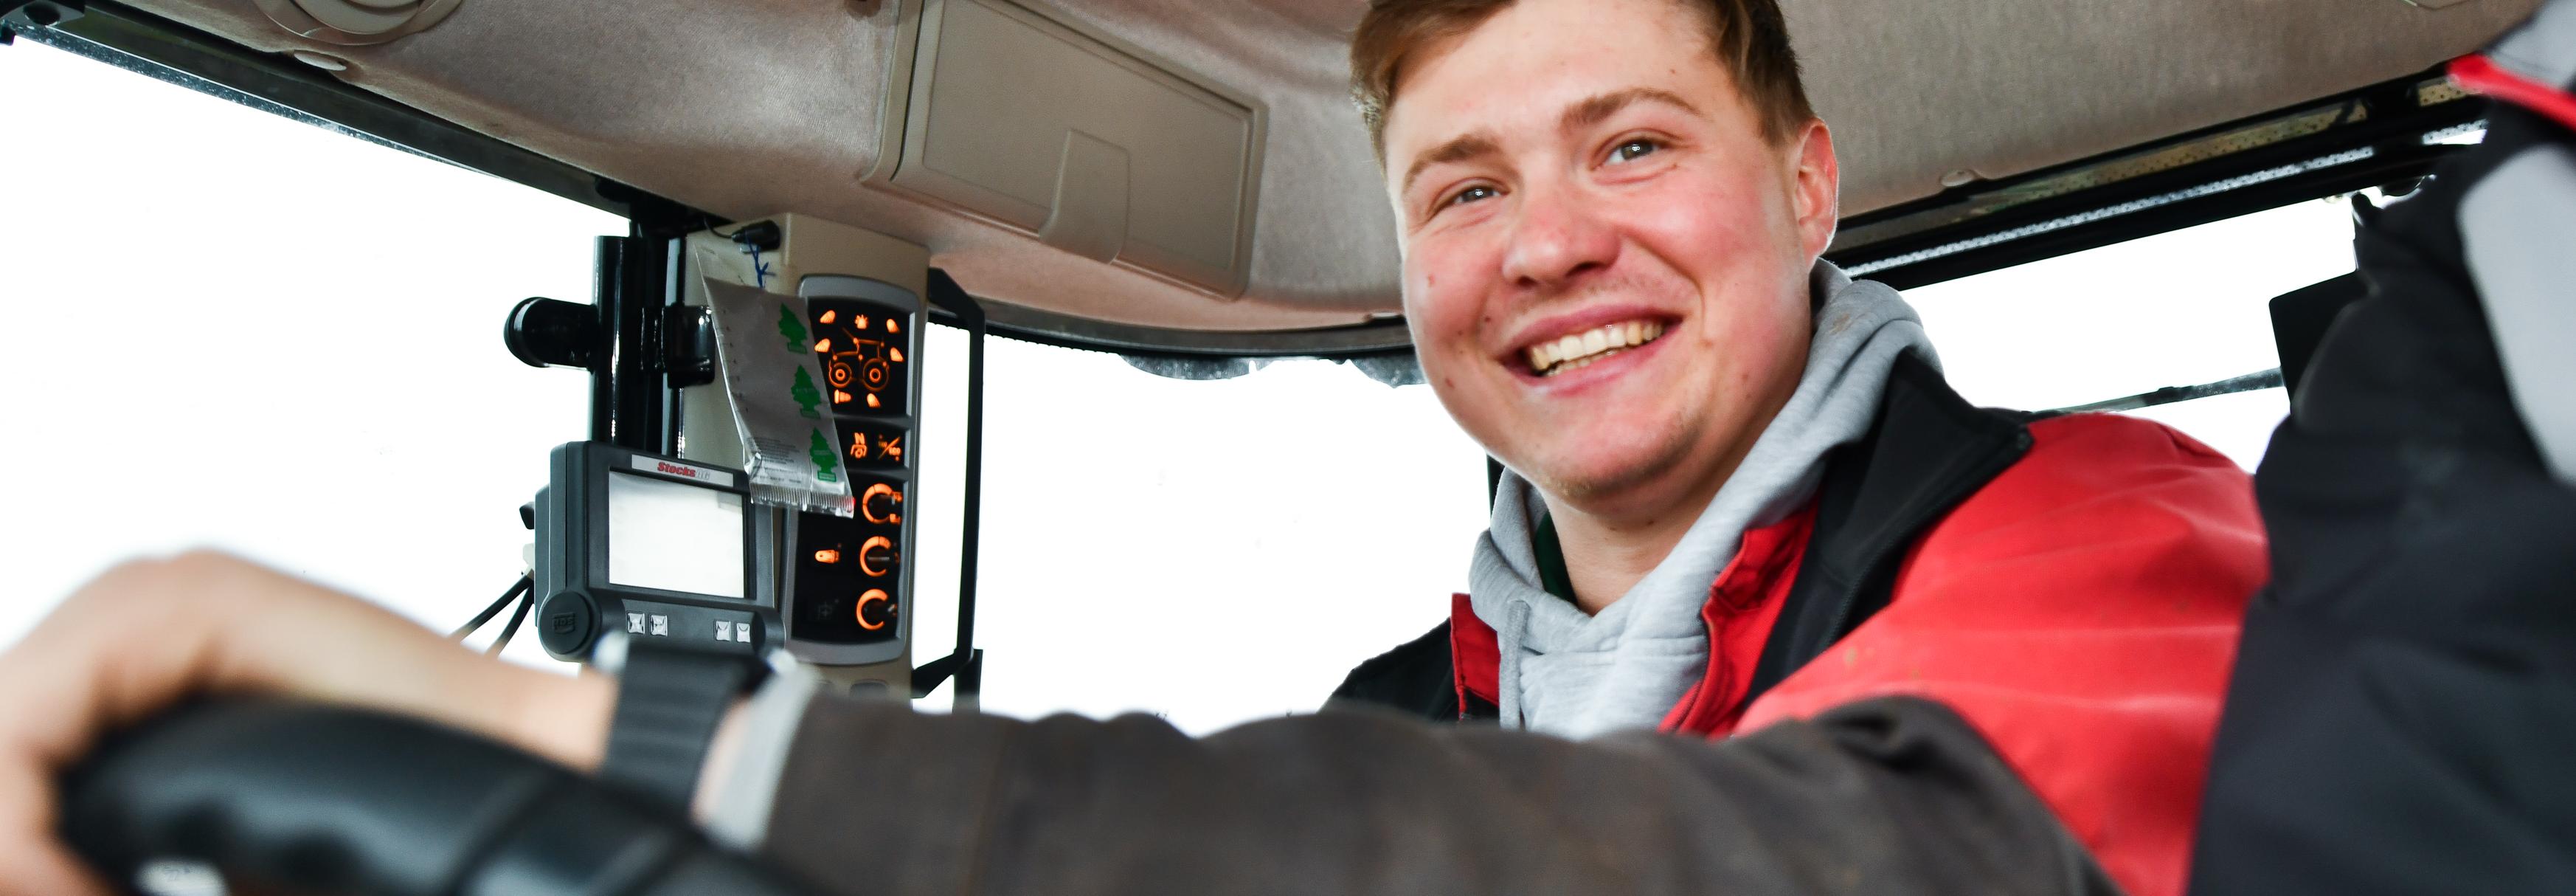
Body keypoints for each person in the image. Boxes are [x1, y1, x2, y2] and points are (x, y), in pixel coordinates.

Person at [25, 0, 2569, 893]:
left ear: (1803, 190)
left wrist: (631, 749)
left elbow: (1842, 869)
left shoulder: (2097, 534)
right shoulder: (1409, 712)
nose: (1546, 238)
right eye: (1463, 184)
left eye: (1631, 145)